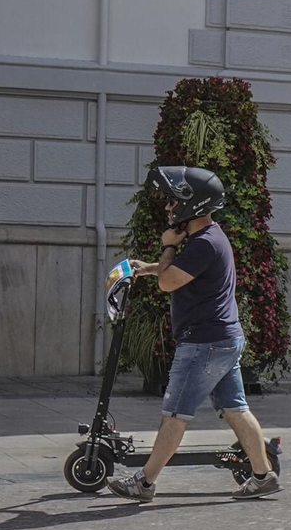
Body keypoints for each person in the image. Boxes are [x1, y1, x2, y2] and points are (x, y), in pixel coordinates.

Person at [106, 165, 281, 502]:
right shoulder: (209, 238)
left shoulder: (202, 242)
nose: (169, 208)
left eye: (173, 201)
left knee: (175, 414)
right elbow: (185, 271)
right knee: (235, 409)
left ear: (192, 203)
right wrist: (149, 266)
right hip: (223, 339)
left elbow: (169, 281)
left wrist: (167, 246)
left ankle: (143, 483)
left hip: (204, 344)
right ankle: (263, 476)